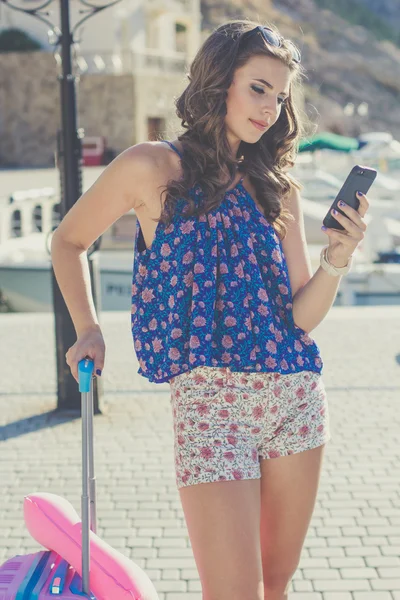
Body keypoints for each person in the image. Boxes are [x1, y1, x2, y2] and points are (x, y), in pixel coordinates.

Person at [51, 18, 369, 600]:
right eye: (258, 88)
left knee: (275, 584)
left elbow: (300, 317)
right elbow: (68, 241)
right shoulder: (152, 167)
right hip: (210, 408)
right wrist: (88, 328)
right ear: (219, 81)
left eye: (280, 95)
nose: (271, 108)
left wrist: (338, 259)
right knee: (233, 591)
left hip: (295, 400)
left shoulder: (279, 185)